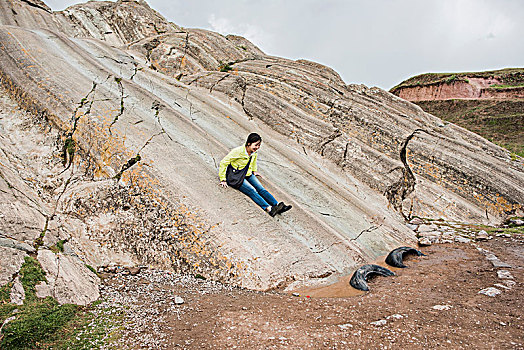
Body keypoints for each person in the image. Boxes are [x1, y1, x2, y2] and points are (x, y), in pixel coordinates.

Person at [219, 133, 292, 217]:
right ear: (249, 143)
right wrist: (223, 179)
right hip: (236, 176)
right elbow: (223, 163)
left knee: (261, 189)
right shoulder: (238, 151)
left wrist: (254, 170)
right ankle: (269, 209)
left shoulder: (254, 152)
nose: (257, 147)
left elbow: (253, 161)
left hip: (247, 173)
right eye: (256, 145)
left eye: (259, 145)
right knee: (252, 190)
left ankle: (277, 205)